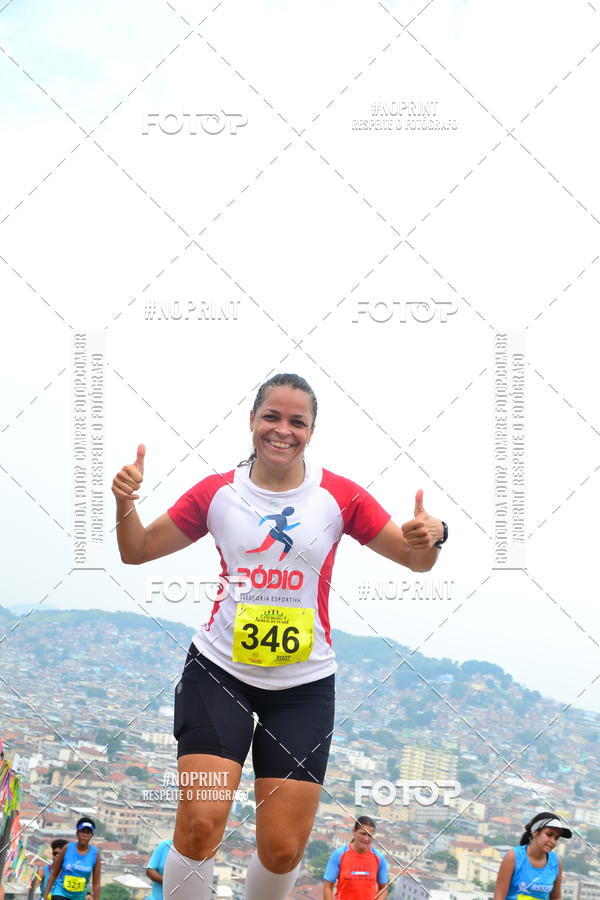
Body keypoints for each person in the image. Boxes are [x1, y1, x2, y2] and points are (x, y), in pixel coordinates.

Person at [112, 372, 448, 900]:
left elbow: (415, 559)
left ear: (312, 431)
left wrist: (434, 536)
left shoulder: (337, 497)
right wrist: (124, 502)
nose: (282, 430)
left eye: (298, 421)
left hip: (303, 687)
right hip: (218, 673)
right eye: (271, 416)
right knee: (200, 826)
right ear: (251, 420)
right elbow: (135, 551)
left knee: (283, 849)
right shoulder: (218, 493)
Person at [494, 812, 572, 900]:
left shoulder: (555, 862)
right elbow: (499, 896)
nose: (553, 841)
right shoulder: (514, 857)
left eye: (556, 838)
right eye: (549, 834)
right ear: (535, 832)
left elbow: (556, 897)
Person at [323, 816, 388, 899]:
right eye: (363, 834)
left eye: (370, 835)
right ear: (354, 831)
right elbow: (327, 886)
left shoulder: (379, 858)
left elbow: (383, 888)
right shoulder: (339, 855)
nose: (366, 838)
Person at [42, 818, 100, 900]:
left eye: (88, 832)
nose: (85, 835)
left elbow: (96, 882)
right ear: (77, 833)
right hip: (60, 893)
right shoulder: (67, 848)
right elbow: (54, 873)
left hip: (79, 897)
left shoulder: (95, 853)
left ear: (92, 835)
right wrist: (45, 896)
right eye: (82, 831)